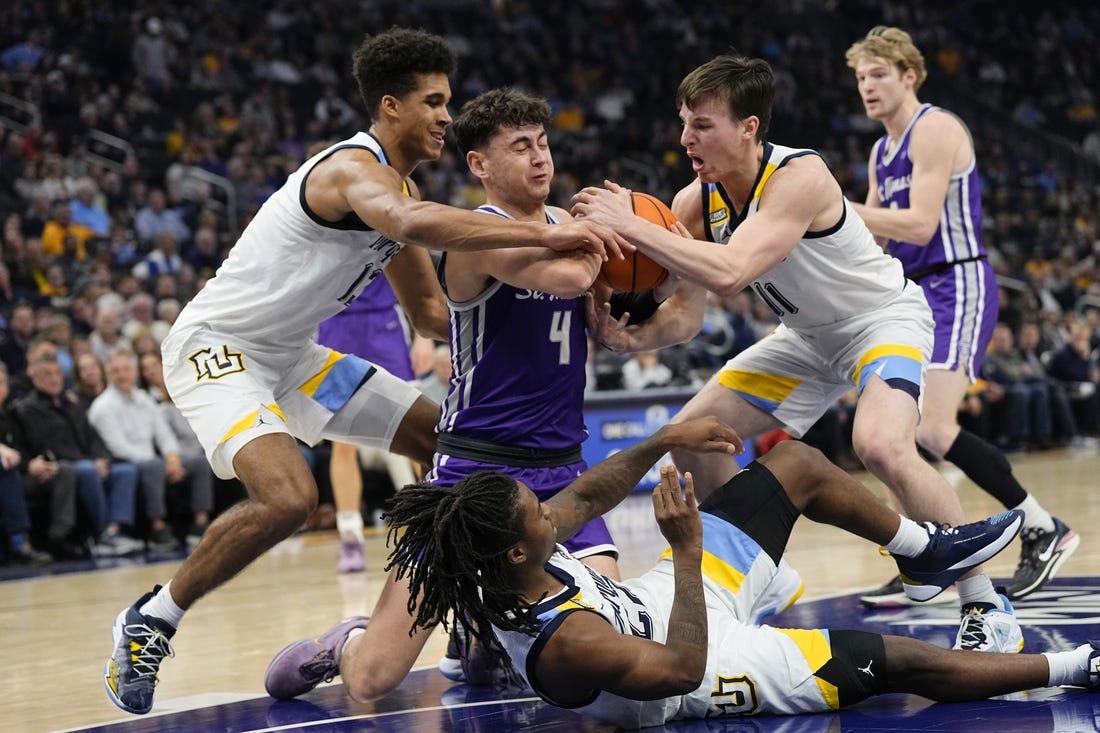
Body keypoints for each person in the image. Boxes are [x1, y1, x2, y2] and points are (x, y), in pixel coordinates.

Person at [103, 27, 625, 717]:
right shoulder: (352, 169)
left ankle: (469, 619)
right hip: (219, 347)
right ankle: (152, 618)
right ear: (390, 107)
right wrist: (547, 232)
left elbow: (436, 315)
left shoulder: (401, 192)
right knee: (289, 496)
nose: (445, 114)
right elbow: (412, 219)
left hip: (294, 355)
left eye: (448, 101)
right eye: (432, 102)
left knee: (454, 450)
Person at [571, 53, 1020, 652]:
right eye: (683, 123)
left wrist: (631, 224)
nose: (685, 139)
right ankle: (766, 569)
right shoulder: (692, 204)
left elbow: (732, 272)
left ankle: (986, 603)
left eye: (702, 125)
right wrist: (631, 336)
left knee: (880, 445)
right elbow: (685, 317)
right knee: (688, 438)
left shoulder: (799, 176)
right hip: (805, 341)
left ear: (749, 127)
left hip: (880, 321)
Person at [270, 417, 1089, 727]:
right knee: (892, 658)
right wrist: (690, 550)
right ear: (517, 550)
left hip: (656, 598)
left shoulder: (518, 548)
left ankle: (921, 548)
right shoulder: (567, 644)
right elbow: (681, 666)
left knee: (795, 465)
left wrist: (666, 439)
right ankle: (1075, 664)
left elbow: (589, 487)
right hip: (700, 666)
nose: (548, 509)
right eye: (534, 511)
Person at [844, 25, 1077, 604]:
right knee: (895, 431)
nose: (867, 88)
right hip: (911, 290)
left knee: (930, 427)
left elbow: (920, 225)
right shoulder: (880, 150)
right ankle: (920, 559)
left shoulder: (937, 128)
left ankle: (1043, 526)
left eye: (877, 75)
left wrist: (835, 210)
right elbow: (876, 240)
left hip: (958, 280)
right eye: (859, 78)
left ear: (908, 76)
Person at [316, 275, 430, 574]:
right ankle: (350, 534)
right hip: (333, 324)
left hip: (384, 324)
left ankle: (427, 527)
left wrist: (424, 334)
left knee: (416, 433)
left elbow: (415, 267)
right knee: (342, 443)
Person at [13, 353, 142, 556]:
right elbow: (46, 447)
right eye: (47, 374)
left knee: (125, 471)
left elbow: (93, 437)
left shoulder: (71, 403)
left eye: (57, 373)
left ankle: (114, 530)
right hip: (61, 466)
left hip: (87, 462)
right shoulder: (29, 409)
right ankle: (99, 536)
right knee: (86, 470)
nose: (54, 378)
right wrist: (91, 462)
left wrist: (101, 459)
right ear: (35, 378)